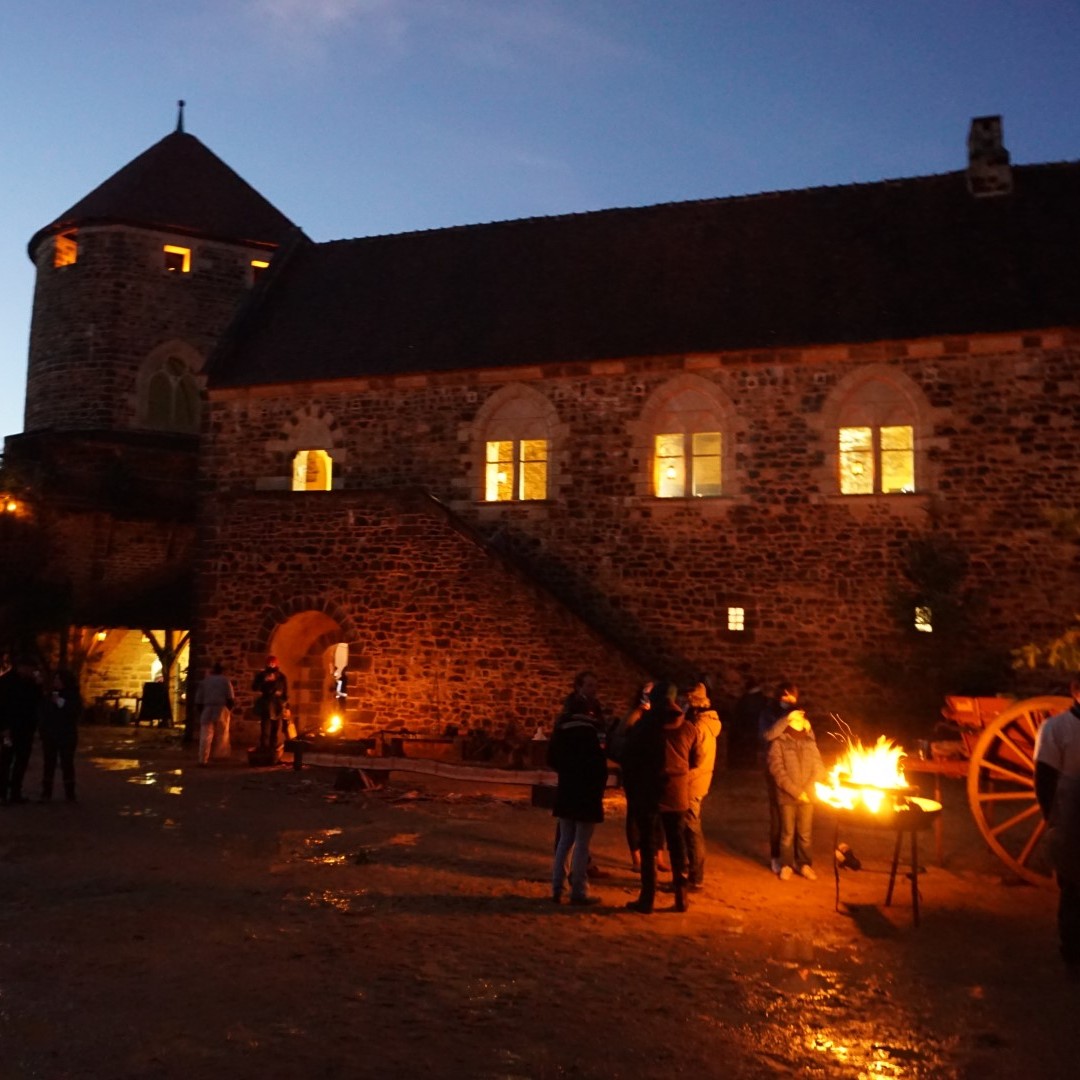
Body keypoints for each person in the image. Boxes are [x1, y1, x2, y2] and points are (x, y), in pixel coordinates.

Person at [622, 681, 700, 913]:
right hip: (677, 793)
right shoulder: (688, 728)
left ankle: (647, 898)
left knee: (648, 845)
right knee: (677, 845)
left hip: (649, 793)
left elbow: (630, 756)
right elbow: (695, 760)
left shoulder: (644, 728)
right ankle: (681, 897)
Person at [547, 671, 609, 905]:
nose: (594, 689)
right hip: (586, 790)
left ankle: (556, 887)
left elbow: (552, 757)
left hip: (568, 787)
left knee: (565, 839)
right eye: (589, 685)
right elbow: (599, 759)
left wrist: (566, 772)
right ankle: (578, 891)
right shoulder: (593, 729)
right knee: (581, 842)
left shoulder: (563, 725)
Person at [1034, 675, 1080, 978]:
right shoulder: (1056, 728)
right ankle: (1073, 953)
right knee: (1074, 886)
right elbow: (1044, 779)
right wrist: (1052, 817)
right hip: (1072, 814)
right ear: (1075, 693)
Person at [767, 701, 825, 881]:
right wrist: (794, 791)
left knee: (805, 834)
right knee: (787, 833)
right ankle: (786, 864)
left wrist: (807, 789)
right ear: (788, 720)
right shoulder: (779, 743)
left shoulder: (810, 742)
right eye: (797, 716)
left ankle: (804, 864)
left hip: (808, 796)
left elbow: (819, 768)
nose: (801, 719)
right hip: (787, 796)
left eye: (803, 716)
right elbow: (777, 770)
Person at [758, 679, 800, 873]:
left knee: (797, 816)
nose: (786, 698)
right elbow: (767, 735)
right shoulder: (769, 713)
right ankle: (776, 856)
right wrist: (786, 719)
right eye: (783, 695)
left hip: (796, 769)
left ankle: (797, 859)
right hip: (775, 767)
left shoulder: (799, 714)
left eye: (790, 695)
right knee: (777, 814)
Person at [684, 681, 722, 890]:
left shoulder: (701, 726)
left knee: (692, 829)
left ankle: (696, 877)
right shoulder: (703, 724)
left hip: (693, 784)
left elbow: (699, 761)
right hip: (696, 782)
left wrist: (681, 777)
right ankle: (692, 874)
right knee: (689, 829)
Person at [0, 657, 44, 805]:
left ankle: (15, 792)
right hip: (10, 729)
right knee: (6, 761)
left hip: (26, 728)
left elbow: (36, 702)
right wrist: (4, 727)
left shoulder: (30, 683)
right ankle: (3, 793)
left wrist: (39, 685)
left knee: (21, 761)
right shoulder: (6, 682)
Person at [39, 669, 82, 802]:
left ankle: (70, 793)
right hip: (51, 734)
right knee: (49, 763)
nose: (55, 682)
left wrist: (60, 702)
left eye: (58, 679)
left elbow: (74, 712)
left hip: (66, 735)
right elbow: (44, 713)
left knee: (67, 763)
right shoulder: (50, 695)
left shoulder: (73, 695)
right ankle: (46, 793)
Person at [195, 662, 235, 765]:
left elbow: (199, 698)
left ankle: (203, 759)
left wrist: (201, 710)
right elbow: (230, 697)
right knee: (222, 734)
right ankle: (220, 757)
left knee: (205, 735)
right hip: (221, 708)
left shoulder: (205, 681)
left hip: (207, 708)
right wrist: (228, 709)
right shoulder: (225, 681)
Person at [251, 655, 289, 753]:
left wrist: (286, 706)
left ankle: (273, 750)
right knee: (265, 730)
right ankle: (264, 750)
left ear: (276, 664)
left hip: (277, 705)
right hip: (266, 705)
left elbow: (285, 693)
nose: (271, 666)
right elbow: (255, 687)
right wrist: (264, 681)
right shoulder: (262, 675)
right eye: (269, 664)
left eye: (273, 664)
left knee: (275, 729)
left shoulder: (281, 677)